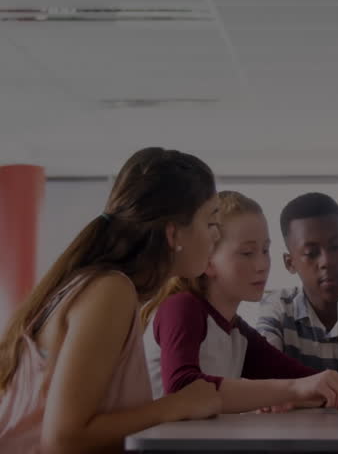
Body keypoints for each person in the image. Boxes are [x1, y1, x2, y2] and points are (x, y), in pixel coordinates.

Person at [0, 147, 223, 453]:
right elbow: (65, 439)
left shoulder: (107, 288)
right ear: (173, 234)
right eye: (210, 222)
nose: (215, 236)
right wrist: (177, 406)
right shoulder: (110, 291)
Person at [143, 191, 338, 414]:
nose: (262, 265)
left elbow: (306, 380)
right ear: (207, 261)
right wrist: (295, 389)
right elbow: (182, 388)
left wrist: (332, 386)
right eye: (247, 253)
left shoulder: (237, 333)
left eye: (265, 250)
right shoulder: (181, 308)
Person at [257, 193, 338, 372]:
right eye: (311, 253)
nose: (326, 261)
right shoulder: (278, 309)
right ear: (290, 263)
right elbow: (264, 375)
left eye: (335, 247)